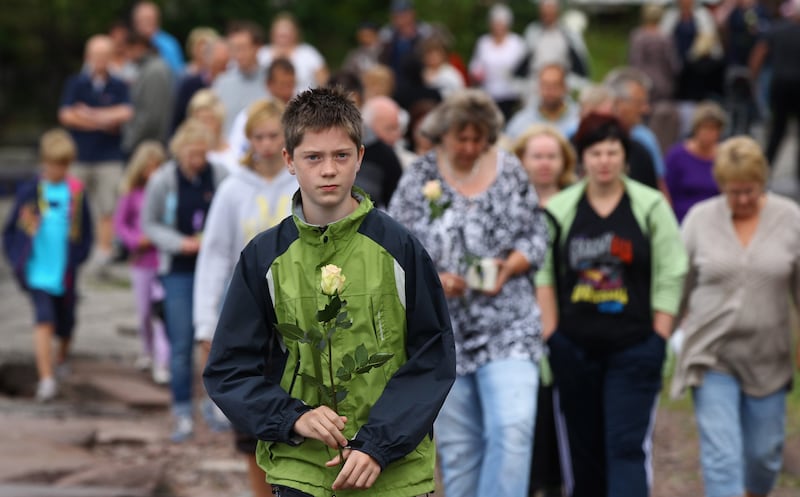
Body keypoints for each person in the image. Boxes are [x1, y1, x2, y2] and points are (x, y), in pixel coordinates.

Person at [203, 86, 456, 496]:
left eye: (340, 155)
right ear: (289, 160)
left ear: (359, 156)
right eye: (313, 157)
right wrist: (291, 418)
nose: (328, 170)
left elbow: (433, 356)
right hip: (302, 468)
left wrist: (379, 444)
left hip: (394, 472)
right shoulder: (263, 257)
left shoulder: (400, 248)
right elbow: (229, 369)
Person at [389, 89, 548, 497]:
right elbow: (393, 248)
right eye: (462, 138)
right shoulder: (420, 176)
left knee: (513, 429)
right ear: (443, 134)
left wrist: (508, 266)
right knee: (460, 452)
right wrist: (434, 279)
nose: (470, 147)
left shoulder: (510, 171)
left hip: (508, 324)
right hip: (442, 333)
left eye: (479, 139)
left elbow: (536, 234)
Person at [535, 113, 687, 497]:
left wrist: (659, 335)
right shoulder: (561, 209)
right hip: (574, 350)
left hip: (635, 348)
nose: (604, 160)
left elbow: (672, 271)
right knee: (584, 457)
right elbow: (544, 275)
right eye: (595, 152)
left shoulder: (650, 206)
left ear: (625, 157)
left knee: (625, 449)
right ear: (582, 158)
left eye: (612, 152)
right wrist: (553, 336)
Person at [671, 136, 800, 497]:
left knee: (764, 454)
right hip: (712, 356)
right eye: (733, 192)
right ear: (720, 186)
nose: (742, 200)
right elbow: (679, 283)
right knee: (722, 457)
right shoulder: (700, 219)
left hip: (769, 358)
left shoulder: (790, 218)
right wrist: (662, 328)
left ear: (764, 181)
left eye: (751, 191)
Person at [194, 99, 296, 497]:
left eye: (274, 136)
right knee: (251, 418)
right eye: (260, 137)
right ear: (249, 140)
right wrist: (205, 321)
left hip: (297, 313)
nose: (267, 145)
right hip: (249, 312)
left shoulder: (299, 183)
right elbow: (216, 252)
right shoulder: (233, 188)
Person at [141, 119, 228, 442]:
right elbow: (149, 223)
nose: (197, 160)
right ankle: (181, 411)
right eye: (192, 154)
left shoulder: (219, 176)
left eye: (202, 154)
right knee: (180, 344)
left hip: (215, 268)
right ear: (179, 151)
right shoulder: (163, 179)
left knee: (215, 341)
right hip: (178, 268)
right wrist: (180, 242)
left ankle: (214, 405)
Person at [2, 129, 93, 402]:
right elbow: (10, 232)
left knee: (66, 324)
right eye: (54, 163)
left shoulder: (75, 193)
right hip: (37, 271)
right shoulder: (31, 192)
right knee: (44, 320)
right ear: (44, 162)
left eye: (64, 164)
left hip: (64, 272)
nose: (58, 169)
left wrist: (78, 257)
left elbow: (86, 233)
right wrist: (19, 256)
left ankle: (62, 356)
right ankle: (46, 378)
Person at [512, 123, 576, 497]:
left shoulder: (576, 203)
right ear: (521, 160)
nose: (545, 164)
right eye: (537, 156)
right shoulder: (510, 205)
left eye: (552, 155)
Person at [58, 34, 133, 272]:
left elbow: (126, 113)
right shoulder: (76, 83)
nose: (100, 59)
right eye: (96, 55)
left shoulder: (119, 84)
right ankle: (71, 254)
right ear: (88, 57)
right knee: (73, 207)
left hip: (109, 157)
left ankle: (103, 257)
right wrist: (104, 120)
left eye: (104, 55)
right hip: (80, 156)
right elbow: (66, 115)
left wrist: (88, 114)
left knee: (107, 207)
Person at [113, 140, 170, 385]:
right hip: (141, 263)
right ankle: (147, 351)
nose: (154, 173)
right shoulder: (132, 194)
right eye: (149, 167)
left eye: (158, 167)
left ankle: (162, 361)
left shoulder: (168, 194)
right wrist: (137, 240)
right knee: (145, 312)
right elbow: (120, 225)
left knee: (161, 314)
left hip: (164, 262)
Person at [749, 0, 800, 173]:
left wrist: (752, 78)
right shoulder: (778, 29)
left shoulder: (776, 29)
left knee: (777, 130)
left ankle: (766, 168)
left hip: (779, 86)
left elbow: (759, 53)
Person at [665, 101, 727, 222]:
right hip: (681, 219)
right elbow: (666, 191)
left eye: (713, 129)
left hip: (714, 221)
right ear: (696, 128)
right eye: (705, 127)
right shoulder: (677, 155)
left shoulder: (724, 157)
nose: (708, 133)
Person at [469, 3, 527, 121]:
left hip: (512, 95)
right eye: (495, 23)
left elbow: (524, 69)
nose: (498, 27)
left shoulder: (517, 43)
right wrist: (476, 73)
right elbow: (475, 65)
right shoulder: (483, 42)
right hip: (489, 94)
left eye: (501, 23)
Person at [122, 31, 174, 157]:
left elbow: (152, 115)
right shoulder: (147, 68)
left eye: (127, 50)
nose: (126, 56)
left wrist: (130, 142)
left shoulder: (155, 70)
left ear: (139, 47)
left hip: (149, 149)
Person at [213, 21, 268, 136]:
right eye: (233, 49)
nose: (238, 54)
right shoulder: (221, 83)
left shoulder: (271, 80)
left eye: (242, 48)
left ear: (257, 47)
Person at [257, 12, 328, 95]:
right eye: (280, 35)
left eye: (286, 35)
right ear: (272, 34)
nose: (283, 39)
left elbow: (324, 81)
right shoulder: (262, 54)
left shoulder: (309, 54)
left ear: (295, 34)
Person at [505, 63, 580, 140]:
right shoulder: (520, 122)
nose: (550, 91)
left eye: (555, 85)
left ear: (565, 88)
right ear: (538, 87)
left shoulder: (578, 119)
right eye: (545, 85)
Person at [186, 89, 239, 173]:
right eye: (199, 121)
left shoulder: (236, 151)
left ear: (220, 121)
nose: (204, 127)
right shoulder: (189, 157)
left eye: (208, 120)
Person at [131, 1, 185, 78]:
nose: (142, 24)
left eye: (147, 19)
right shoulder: (132, 42)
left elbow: (176, 74)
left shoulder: (168, 44)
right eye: (139, 20)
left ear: (156, 20)